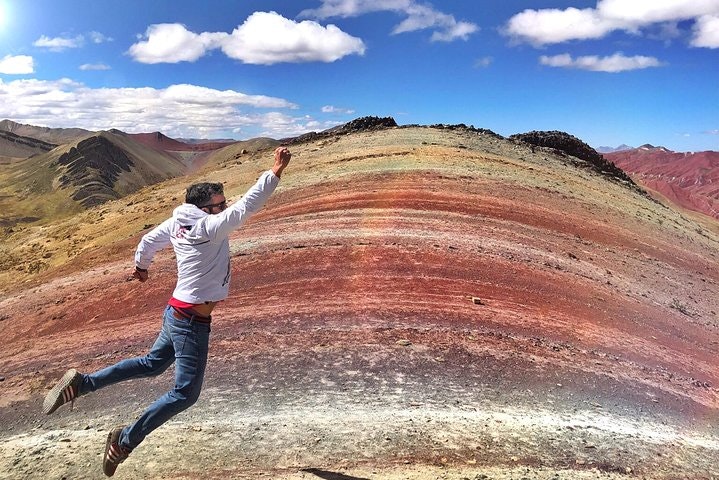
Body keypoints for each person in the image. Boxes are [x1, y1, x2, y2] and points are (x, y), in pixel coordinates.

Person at [42, 146, 292, 477]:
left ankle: (82, 384)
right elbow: (247, 206)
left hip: (175, 313)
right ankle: (124, 441)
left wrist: (141, 268)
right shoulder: (208, 227)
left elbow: (148, 242)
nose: (225, 207)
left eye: (223, 203)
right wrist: (274, 172)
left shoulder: (177, 224)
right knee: (186, 393)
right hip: (191, 321)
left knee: (151, 364)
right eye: (220, 204)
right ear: (204, 208)